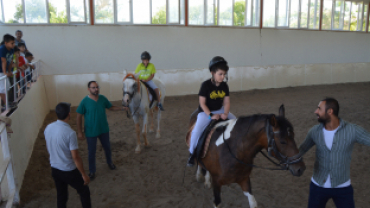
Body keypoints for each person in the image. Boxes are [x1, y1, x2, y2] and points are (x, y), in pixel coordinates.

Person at [299, 98, 370, 208]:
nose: (315, 111)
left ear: (330, 111)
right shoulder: (314, 131)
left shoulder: (352, 130)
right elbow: (301, 150)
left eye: (319, 108)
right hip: (318, 187)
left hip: (343, 188)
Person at [187, 56, 236, 167]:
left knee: (236, 122)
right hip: (206, 112)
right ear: (212, 73)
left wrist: (225, 114)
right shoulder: (205, 85)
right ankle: (191, 154)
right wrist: (211, 115)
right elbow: (202, 103)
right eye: (220, 74)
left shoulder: (224, 86)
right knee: (197, 131)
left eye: (224, 74)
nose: (223, 77)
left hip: (220, 109)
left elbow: (227, 102)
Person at [77, 81, 128, 180]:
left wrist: (122, 108)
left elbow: (111, 107)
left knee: (107, 147)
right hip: (91, 131)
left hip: (104, 129)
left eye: (97, 87)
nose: (96, 89)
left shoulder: (103, 98)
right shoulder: (84, 101)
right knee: (91, 151)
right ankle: (92, 171)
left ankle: (110, 162)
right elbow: (79, 116)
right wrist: (79, 131)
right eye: (93, 87)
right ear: (89, 89)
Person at [44, 102, 91, 208]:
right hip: (68, 170)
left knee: (61, 196)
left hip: (55, 169)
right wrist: (83, 174)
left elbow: (48, 147)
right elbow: (75, 157)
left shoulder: (48, 127)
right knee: (84, 191)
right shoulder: (70, 133)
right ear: (69, 114)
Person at [0, 34, 15, 108]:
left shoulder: (12, 49)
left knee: (7, 87)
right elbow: (4, 61)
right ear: (6, 43)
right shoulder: (2, 48)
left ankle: (5, 103)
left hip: (4, 70)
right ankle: (6, 104)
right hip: (0, 71)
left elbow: (11, 61)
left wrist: (9, 71)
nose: (13, 44)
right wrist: (5, 72)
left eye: (14, 43)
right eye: (12, 43)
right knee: (3, 88)